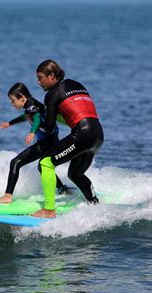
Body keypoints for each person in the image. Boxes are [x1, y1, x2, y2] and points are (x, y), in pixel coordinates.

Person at [32, 60, 104, 218]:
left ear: (51, 76)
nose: (38, 82)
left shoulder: (51, 94)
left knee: (45, 163)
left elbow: (49, 127)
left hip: (83, 134)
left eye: (40, 78)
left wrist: (35, 121)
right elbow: (75, 113)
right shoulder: (77, 84)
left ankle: (49, 209)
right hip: (97, 133)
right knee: (76, 174)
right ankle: (95, 204)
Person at [0, 82, 70, 204]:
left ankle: (7, 196)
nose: (12, 104)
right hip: (53, 140)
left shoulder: (32, 107)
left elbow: (37, 118)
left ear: (22, 98)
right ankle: (62, 189)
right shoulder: (32, 105)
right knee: (42, 167)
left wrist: (32, 132)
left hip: (46, 142)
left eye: (13, 100)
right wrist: (10, 123)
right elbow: (27, 116)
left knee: (15, 162)